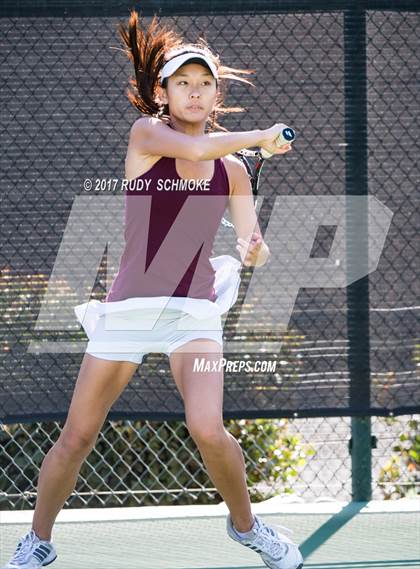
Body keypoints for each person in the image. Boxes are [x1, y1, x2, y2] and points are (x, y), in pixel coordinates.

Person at [2, 9, 303, 569]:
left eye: (205, 84)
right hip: (130, 308)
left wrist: (255, 250)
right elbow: (192, 151)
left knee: (208, 428)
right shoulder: (146, 136)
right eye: (183, 83)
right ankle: (38, 541)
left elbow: (251, 240)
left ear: (216, 98)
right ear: (162, 95)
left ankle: (248, 527)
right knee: (78, 437)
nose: (195, 92)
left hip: (193, 311)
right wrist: (262, 135)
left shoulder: (235, 172)